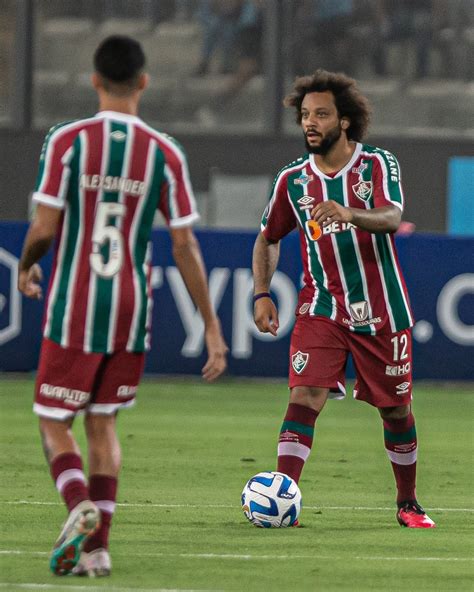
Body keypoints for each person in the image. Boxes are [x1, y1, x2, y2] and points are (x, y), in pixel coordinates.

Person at [17, 35, 228, 577]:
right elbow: (184, 245)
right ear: (143, 81)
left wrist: (26, 264)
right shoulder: (165, 152)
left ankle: (77, 505)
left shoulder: (67, 142)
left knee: (52, 419)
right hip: (132, 309)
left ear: (94, 79)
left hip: (75, 301)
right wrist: (210, 326)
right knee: (103, 423)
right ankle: (98, 550)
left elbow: (44, 228)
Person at [252, 69, 435, 529]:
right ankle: (282, 496)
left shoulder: (377, 165)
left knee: (396, 410)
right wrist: (261, 293)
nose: (310, 123)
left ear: (345, 121)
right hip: (322, 307)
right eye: (305, 115)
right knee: (306, 393)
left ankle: (408, 502)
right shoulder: (292, 180)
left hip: (381, 310)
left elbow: (392, 217)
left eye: (321, 114)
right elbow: (268, 238)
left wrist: (348, 212)